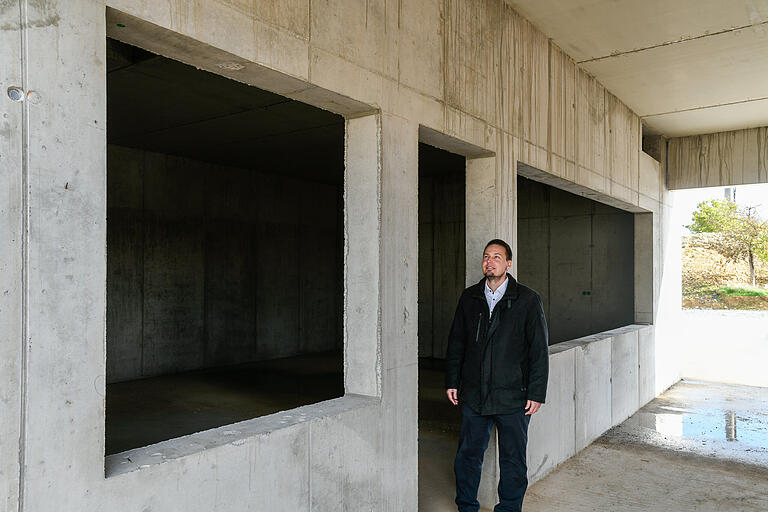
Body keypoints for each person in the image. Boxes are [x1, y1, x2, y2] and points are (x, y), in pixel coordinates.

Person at [445, 239, 549, 512]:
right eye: (486, 257)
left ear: (508, 263)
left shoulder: (527, 299)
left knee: (513, 460)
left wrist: (536, 393)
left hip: (514, 396)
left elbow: (538, 350)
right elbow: (457, 342)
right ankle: (467, 506)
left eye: (497, 257)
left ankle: (509, 508)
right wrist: (452, 381)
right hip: (474, 394)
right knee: (467, 456)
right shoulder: (470, 297)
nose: (490, 262)